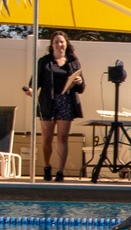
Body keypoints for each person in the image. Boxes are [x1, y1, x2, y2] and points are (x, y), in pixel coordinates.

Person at [23, 31, 85, 182]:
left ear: (66, 44)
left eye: (62, 42)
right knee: (47, 139)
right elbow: (35, 82)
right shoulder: (44, 61)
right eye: (56, 42)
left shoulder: (73, 62)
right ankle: (47, 166)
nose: (59, 44)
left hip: (66, 102)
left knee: (63, 138)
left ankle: (60, 171)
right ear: (52, 45)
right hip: (48, 103)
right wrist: (31, 90)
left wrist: (79, 82)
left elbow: (82, 88)